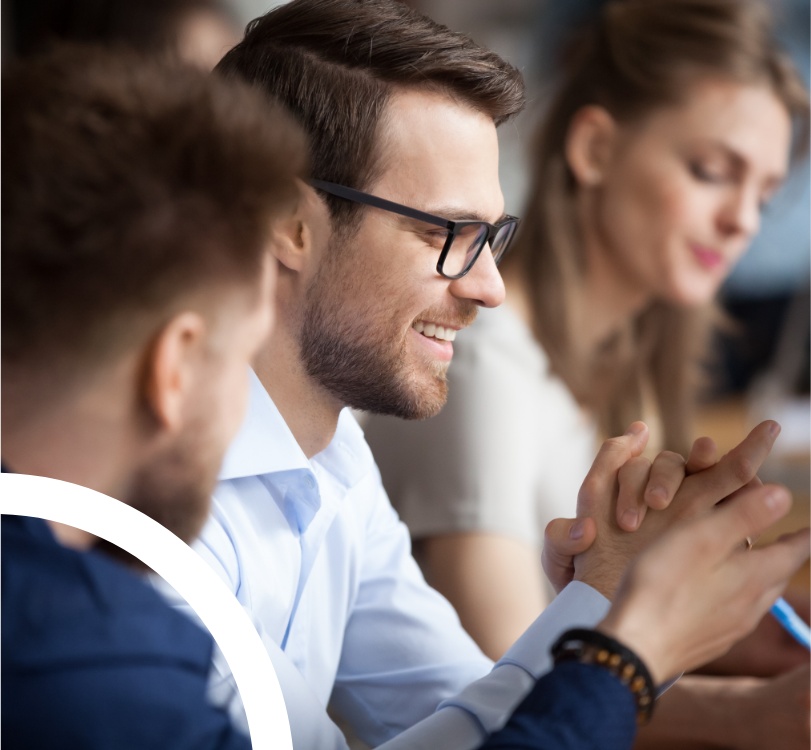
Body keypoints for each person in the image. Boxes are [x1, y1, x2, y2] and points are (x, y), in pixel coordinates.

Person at [146, 1, 809, 748]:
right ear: (284, 221)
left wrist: (604, 592)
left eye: (489, 236)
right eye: (445, 232)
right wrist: (635, 641)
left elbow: (459, 711)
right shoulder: (151, 527)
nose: (488, 287)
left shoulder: (333, 455)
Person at [363, 0, 811, 747]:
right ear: (595, 149)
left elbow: (583, 627)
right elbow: (499, 679)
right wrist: (744, 711)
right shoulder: (478, 360)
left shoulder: (616, 362)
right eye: (709, 172)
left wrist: (726, 631)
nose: (742, 221)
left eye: (762, 193)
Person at [1, 44, 306, 748]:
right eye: (243, 359)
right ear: (174, 367)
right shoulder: (91, 666)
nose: (243, 412)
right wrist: (611, 654)